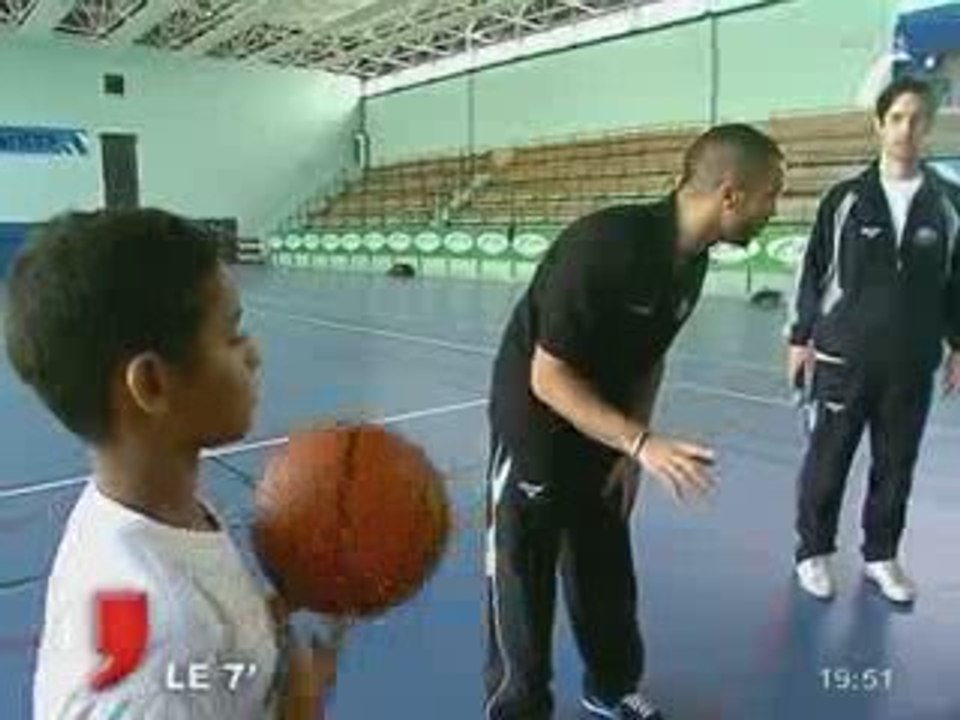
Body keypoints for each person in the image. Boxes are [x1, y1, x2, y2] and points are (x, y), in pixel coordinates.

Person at [484, 124, 785, 720]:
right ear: (730, 194)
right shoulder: (607, 245)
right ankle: (517, 706)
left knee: (604, 560)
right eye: (770, 193)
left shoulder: (690, 263)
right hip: (536, 425)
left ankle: (610, 684)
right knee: (525, 572)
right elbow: (548, 378)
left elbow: (650, 357)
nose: (775, 207)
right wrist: (642, 442)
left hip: (611, 426)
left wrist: (628, 451)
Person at [6, 209, 337, 719]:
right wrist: (300, 711)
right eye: (232, 335)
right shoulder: (157, 660)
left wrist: (254, 632)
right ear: (153, 385)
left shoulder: (157, 508)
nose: (254, 355)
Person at [787, 76, 960, 604]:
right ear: (879, 125)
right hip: (844, 355)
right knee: (828, 460)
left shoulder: (951, 203)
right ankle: (812, 553)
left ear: (929, 127)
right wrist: (800, 337)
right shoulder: (844, 199)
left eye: (917, 119)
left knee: (896, 465)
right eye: (898, 118)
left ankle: (880, 556)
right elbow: (812, 271)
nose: (907, 128)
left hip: (911, 364)